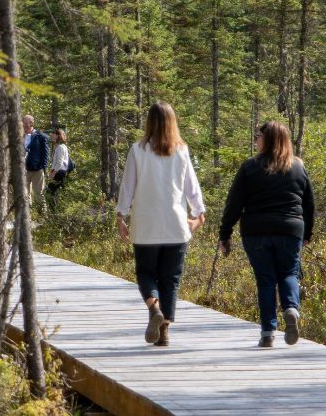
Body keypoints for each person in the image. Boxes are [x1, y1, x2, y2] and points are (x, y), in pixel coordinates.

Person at [116, 102, 205, 347]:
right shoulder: (181, 150)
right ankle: (164, 331)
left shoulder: (138, 149)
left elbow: (128, 185)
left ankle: (154, 308)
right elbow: (191, 186)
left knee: (146, 273)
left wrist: (121, 215)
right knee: (170, 279)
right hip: (176, 224)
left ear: (149, 122)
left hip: (145, 225)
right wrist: (198, 212)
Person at [218, 121, 314, 348]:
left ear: (268, 139)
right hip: (290, 230)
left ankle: (268, 332)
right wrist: (307, 232)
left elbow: (234, 203)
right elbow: (309, 203)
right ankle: (291, 308)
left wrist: (225, 233)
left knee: (266, 280)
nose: (255, 139)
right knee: (289, 273)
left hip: (256, 232)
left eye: (257, 135)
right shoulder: (298, 167)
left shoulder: (250, 167)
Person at [23, 115, 50, 213]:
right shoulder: (20, 136)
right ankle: (27, 216)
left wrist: (43, 167)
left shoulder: (40, 136)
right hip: (24, 169)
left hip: (37, 169)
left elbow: (46, 154)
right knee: (25, 194)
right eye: (23, 122)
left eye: (26, 123)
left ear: (32, 123)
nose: (24, 125)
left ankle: (42, 217)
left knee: (39, 193)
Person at [47, 128, 72, 207]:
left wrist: (53, 172)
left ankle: (54, 211)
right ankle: (59, 210)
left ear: (58, 136)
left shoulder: (60, 147)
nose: (51, 136)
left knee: (49, 192)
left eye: (53, 134)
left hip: (59, 172)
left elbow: (59, 162)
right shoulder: (61, 146)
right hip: (60, 172)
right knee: (55, 191)